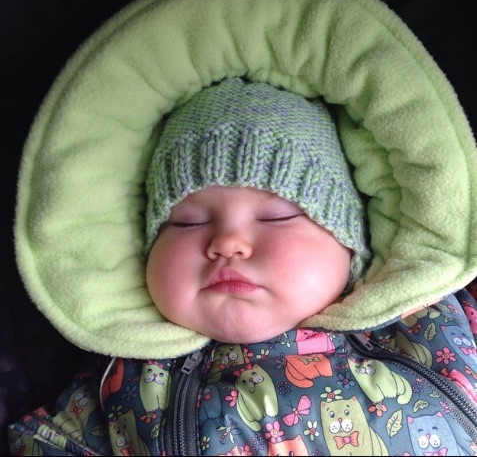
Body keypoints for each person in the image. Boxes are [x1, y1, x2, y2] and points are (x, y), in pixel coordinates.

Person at [7, 77, 477, 456]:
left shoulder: (429, 321)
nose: (227, 243)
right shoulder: (128, 379)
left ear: (353, 245)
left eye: (278, 216)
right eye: (186, 222)